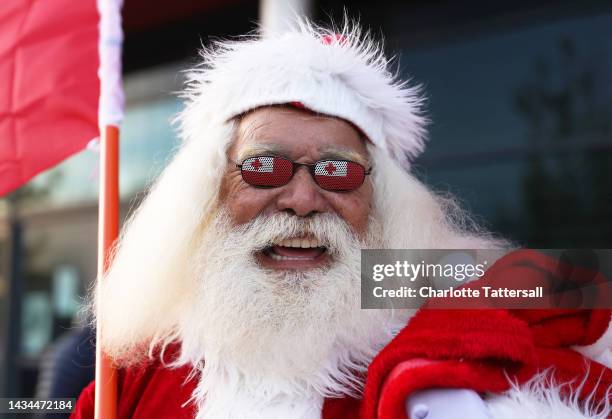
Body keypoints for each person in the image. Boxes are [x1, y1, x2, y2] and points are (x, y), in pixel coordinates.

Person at [72, 20, 611, 418]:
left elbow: (570, 293)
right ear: (211, 191)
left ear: (379, 203)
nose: (302, 198)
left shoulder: (442, 344)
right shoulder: (128, 380)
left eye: (337, 171)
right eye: (263, 167)